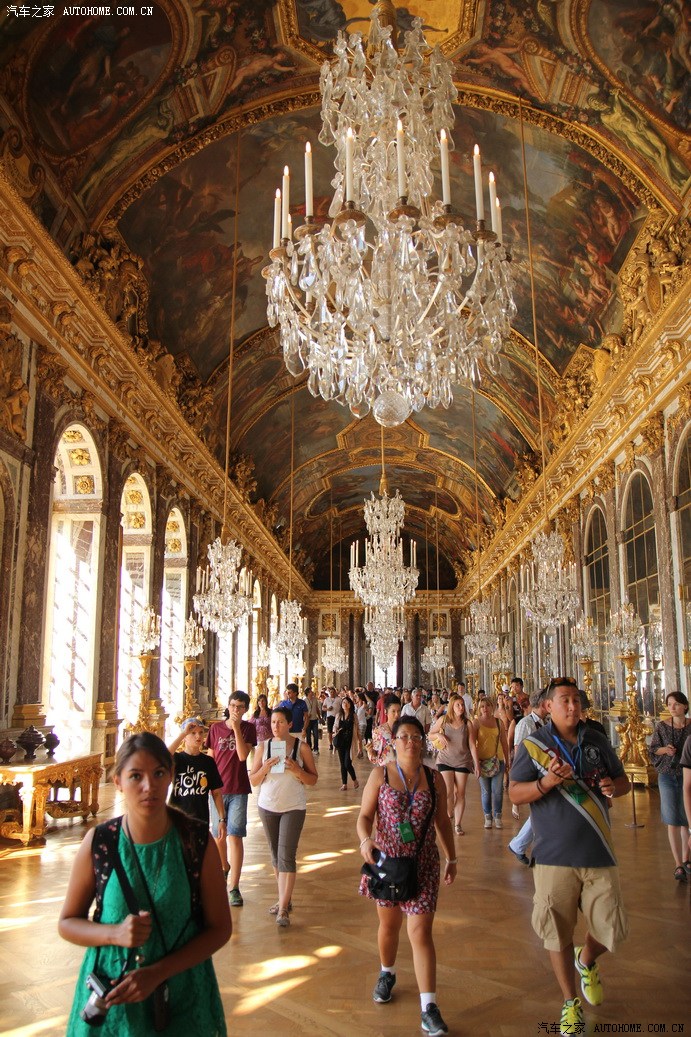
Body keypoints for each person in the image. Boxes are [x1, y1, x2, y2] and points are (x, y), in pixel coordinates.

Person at [58, 733, 231, 1035]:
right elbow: (67, 923)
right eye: (136, 776)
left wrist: (158, 973)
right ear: (118, 782)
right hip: (114, 991)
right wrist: (114, 933)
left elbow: (220, 928)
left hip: (182, 994)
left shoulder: (195, 842)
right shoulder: (101, 842)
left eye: (158, 773)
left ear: (171, 776)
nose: (149, 786)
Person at [509, 677, 630, 1037]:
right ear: (548, 706)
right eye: (565, 700)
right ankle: (569, 1001)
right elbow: (514, 793)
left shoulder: (597, 740)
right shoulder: (533, 746)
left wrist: (613, 788)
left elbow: (622, 781)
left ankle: (586, 958)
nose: (572, 706)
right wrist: (545, 783)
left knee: (612, 926)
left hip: (598, 848)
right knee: (556, 932)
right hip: (553, 853)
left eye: (576, 700)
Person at [357, 716, 457, 1037]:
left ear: (423, 741)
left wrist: (452, 857)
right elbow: (364, 816)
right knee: (389, 926)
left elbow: (442, 822)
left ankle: (429, 1007)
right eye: (404, 737)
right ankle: (387, 972)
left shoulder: (434, 778)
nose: (410, 742)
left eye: (416, 737)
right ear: (394, 741)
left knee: (420, 932)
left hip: (423, 863)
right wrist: (365, 840)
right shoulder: (380, 774)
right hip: (386, 862)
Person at [249, 706, 318, 927]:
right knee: (275, 855)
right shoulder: (263, 747)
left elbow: (313, 779)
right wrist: (265, 768)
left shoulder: (301, 747)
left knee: (286, 855)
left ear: (290, 724)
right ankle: (284, 898)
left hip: (293, 806)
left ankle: (283, 909)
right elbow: (254, 780)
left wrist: (297, 770)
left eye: (280, 722)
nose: (275, 726)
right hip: (267, 806)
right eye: (273, 722)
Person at [206, 690, 257, 906]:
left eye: (240, 707)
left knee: (235, 836)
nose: (236, 709)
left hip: (238, 789)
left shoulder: (248, 729)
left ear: (245, 709)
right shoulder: (215, 729)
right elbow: (210, 758)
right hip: (217, 791)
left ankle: (234, 887)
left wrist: (236, 728)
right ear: (228, 706)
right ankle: (224, 866)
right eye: (233, 705)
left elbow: (243, 756)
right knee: (219, 836)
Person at [649, 691, 691, 881]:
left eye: (676, 704)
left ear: (685, 706)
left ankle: (687, 858)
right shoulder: (662, 726)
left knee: (686, 819)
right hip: (668, 774)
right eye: (669, 704)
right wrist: (665, 750)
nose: (672, 708)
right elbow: (652, 750)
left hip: (687, 775)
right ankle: (678, 864)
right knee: (672, 819)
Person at [507, 689, 548, 865]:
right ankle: (523, 846)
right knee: (543, 810)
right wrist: (518, 777)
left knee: (542, 811)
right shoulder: (525, 723)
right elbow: (519, 750)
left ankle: (519, 845)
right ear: (543, 704)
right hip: (531, 772)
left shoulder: (545, 722)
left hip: (542, 771)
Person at [429, 693, 479, 835]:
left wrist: (476, 764)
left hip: (463, 760)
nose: (461, 707)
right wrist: (438, 734)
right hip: (445, 759)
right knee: (448, 791)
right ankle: (448, 815)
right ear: (452, 706)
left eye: (462, 705)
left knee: (460, 793)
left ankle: (457, 824)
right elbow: (430, 734)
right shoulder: (443, 720)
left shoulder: (467, 723)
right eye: (458, 705)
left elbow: (472, 745)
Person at [167, 717, 224, 827]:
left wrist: (222, 819)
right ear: (185, 737)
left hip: (200, 819)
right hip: (176, 818)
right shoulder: (177, 759)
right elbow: (164, 755)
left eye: (201, 732)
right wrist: (183, 734)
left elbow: (216, 792)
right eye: (193, 733)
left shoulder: (208, 762)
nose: (198, 736)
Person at [473, 698, 510, 829]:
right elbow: (472, 744)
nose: (485, 709)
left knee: (497, 790)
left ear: (492, 707)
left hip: (497, 760)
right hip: (482, 761)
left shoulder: (499, 722)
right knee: (486, 791)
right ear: (479, 708)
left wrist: (507, 759)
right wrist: (475, 763)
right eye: (482, 706)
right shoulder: (476, 723)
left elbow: (504, 742)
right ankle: (488, 816)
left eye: (488, 706)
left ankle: (498, 815)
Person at [333, 694, 361, 790]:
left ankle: (354, 779)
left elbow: (357, 730)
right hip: (340, 742)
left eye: (347, 702)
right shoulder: (339, 715)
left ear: (350, 704)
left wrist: (360, 745)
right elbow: (335, 725)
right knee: (342, 764)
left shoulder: (353, 716)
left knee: (347, 763)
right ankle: (344, 784)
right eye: (343, 702)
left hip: (350, 743)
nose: (345, 704)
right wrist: (335, 730)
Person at [369, 694, 402, 766]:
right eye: (393, 711)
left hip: (402, 768)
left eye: (399, 711)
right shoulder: (379, 731)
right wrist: (370, 752)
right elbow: (375, 757)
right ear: (385, 711)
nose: (397, 714)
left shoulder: (403, 729)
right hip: (385, 768)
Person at [304, 685, 321, 755]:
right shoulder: (304, 701)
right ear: (308, 693)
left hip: (314, 720)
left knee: (316, 735)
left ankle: (316, 748)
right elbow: (303, 711)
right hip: (308, 720)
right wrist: (306, 715)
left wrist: (320, 717)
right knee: (308, 735)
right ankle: (309, 748)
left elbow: (317, 708)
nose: (312, 692)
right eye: (311, 691)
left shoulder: (315, 699)